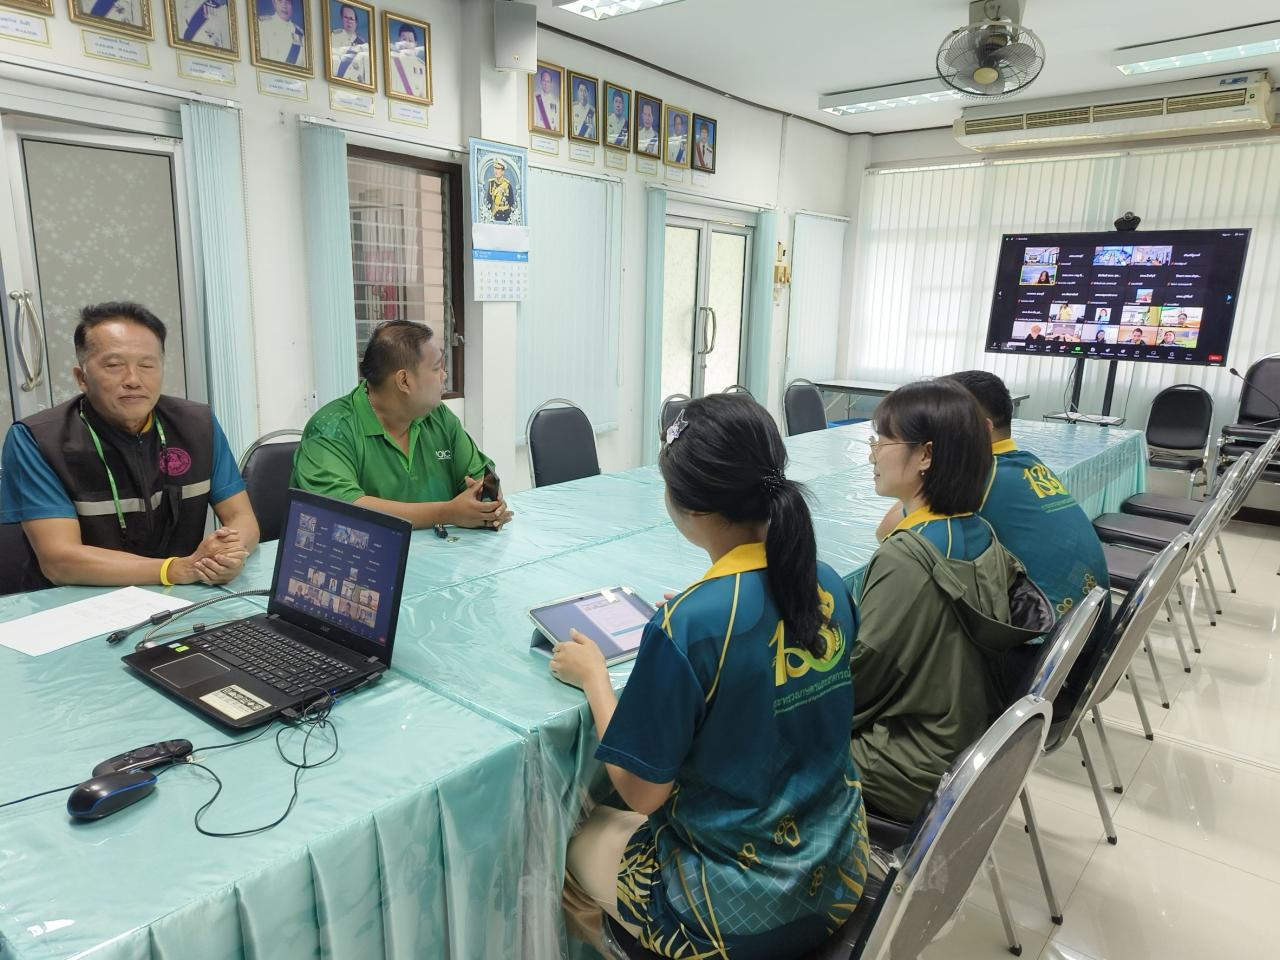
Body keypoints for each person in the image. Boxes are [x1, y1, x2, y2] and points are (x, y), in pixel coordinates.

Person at [551, 395, 870, 959]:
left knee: (562, 845)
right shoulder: (824, 582)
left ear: (687, 508)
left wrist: (595, 679)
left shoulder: (691, 624)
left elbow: (643, 793)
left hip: (732, 912)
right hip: (840, 872)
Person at [853, 380, 1034, 822]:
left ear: (926, 455)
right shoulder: (980, 533)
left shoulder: (905, 555)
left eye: (883, 440)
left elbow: (859, 680)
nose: (873, 453)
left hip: (901, 767)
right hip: (965, 747)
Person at [0, 302, 258, 589]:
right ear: (81, 378)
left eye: (147, 365)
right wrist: (175, 570)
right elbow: (59, 561)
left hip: (183, 597)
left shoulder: (197, 425)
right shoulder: (37, 440)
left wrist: (228, 556)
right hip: (77, 604)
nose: (133, 380)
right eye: (114, 365)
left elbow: (241, 517)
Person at [291, 320, 513, 531]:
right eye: (436, 368)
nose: (444, 376)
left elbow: (481, 479)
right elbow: (346, 510)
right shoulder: (331, 428)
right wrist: (446, 513)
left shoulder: (439, 417)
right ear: (404, 381)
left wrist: (487, 507)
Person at [257, 0, 306, 68]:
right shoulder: (262, 25)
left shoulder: (300, 34)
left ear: (292, 5)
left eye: (288, 2)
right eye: (280, 1)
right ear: (274, 3)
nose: (284, 6)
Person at [329, 3, 369, 84]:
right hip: (335, 84)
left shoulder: (363, 45)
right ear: (341, 19)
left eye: (351, 18)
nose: (349, 21)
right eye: (346, 17)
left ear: (356, 22)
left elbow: (367, 73)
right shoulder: (333, 37)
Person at [388, 22, 426, 99]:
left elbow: (423, 95)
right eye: (404, 39)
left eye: (410, 40)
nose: (407, 43)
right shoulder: (390, 61)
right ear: (399, 40)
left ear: (415, 44)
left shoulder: (421, 66)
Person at [484, 159, 515, 223]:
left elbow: (511, 204)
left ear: (503, 171)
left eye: (498, 169)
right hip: (494, 215)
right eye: (495, 168)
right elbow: (488, 202)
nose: (496, 171)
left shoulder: (508, 185)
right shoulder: (491, 183)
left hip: (505, 216)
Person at [533, 67, 560, 133]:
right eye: (544, 80)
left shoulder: (556, 102)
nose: (546, 84)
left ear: (550, 83)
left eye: (548, 81)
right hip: (538, 133)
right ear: (541, 82)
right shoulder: (535, 98)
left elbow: (557, 125)